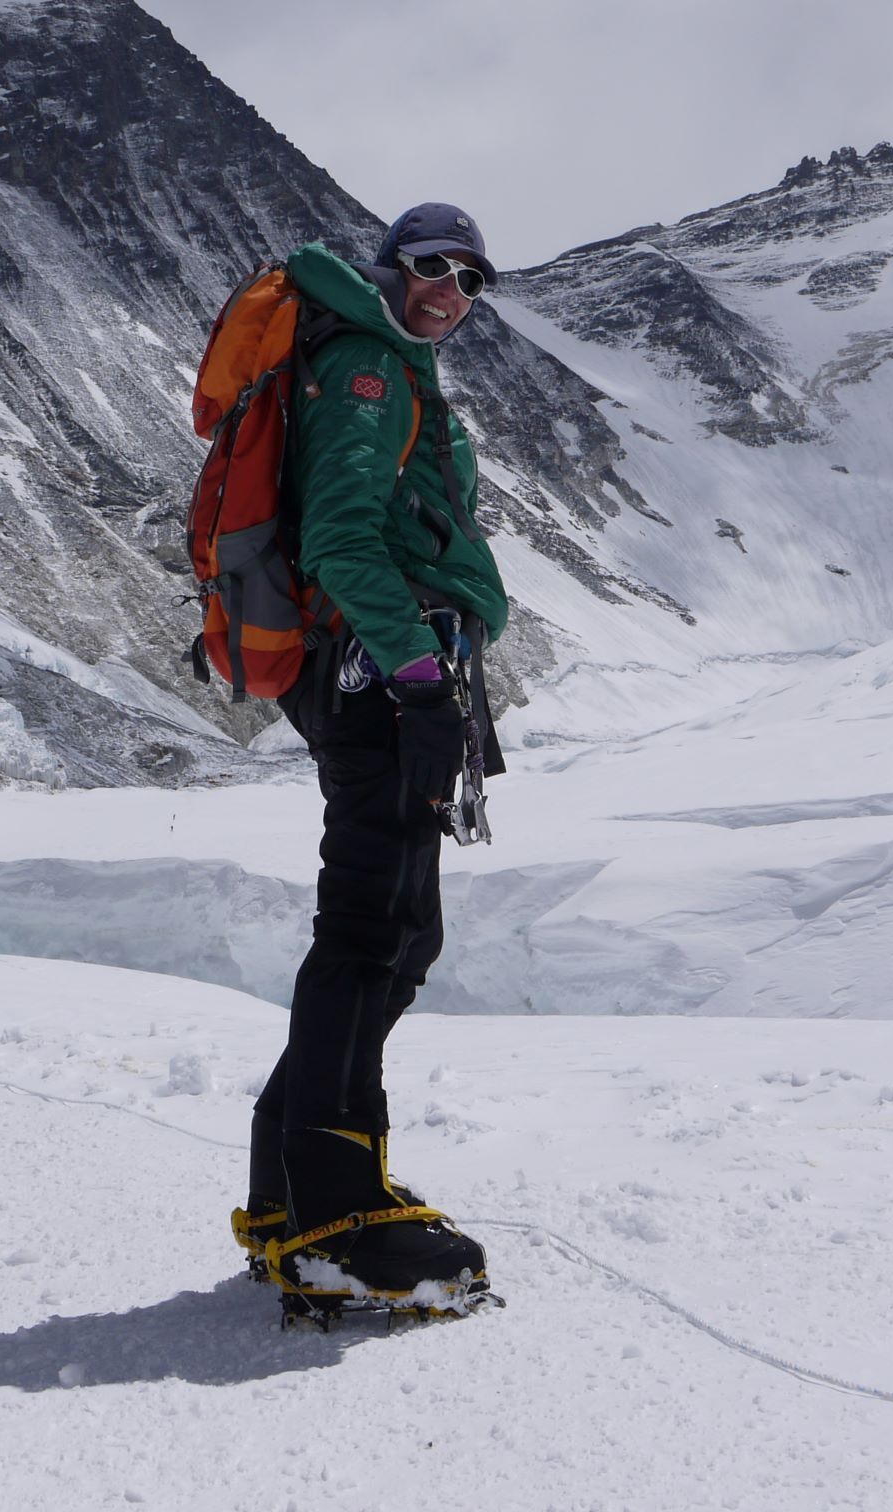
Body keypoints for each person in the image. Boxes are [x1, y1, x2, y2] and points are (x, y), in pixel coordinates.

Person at [236, 201, 510, 1316]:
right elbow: (343, 534)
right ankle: (338, 1215)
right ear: (390, 270)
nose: (449, 291)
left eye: (471, 280)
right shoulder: (366, 369)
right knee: (376, 926)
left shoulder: (378, 363)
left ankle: (291, 1191)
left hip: (382, 668)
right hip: (378, 674)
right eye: (432, 268)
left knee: (391, 927)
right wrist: (414, 674)